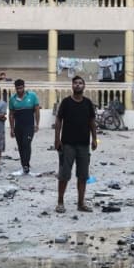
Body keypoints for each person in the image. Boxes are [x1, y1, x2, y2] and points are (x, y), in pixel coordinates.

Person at [54, 75, 98, 213]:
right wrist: (57, 139)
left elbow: (92, 122)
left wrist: (94, 138)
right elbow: (59, 120)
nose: (78, 85)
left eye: (80, 83)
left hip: (84, 145)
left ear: (84, 86)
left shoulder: (88, 103)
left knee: (83, 175)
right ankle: (60, 202)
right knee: (64, 174)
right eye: (75, 83)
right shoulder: (66, 102)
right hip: (68, 144)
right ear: (72, 86)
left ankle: (81, 203)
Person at [8, 78, 40, 175]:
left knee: (26, 144)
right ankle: (24, 165)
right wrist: (12, 128)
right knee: (21, 146)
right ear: (15, 88)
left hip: (29, 125)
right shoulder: (12, 99)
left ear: (24, 87)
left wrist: (37, 124)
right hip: (18, 126)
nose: (19, 90)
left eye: (21, 88)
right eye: (17, 88)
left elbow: (37, 111)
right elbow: (11, 114)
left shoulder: (32, 96)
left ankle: (26, 165)